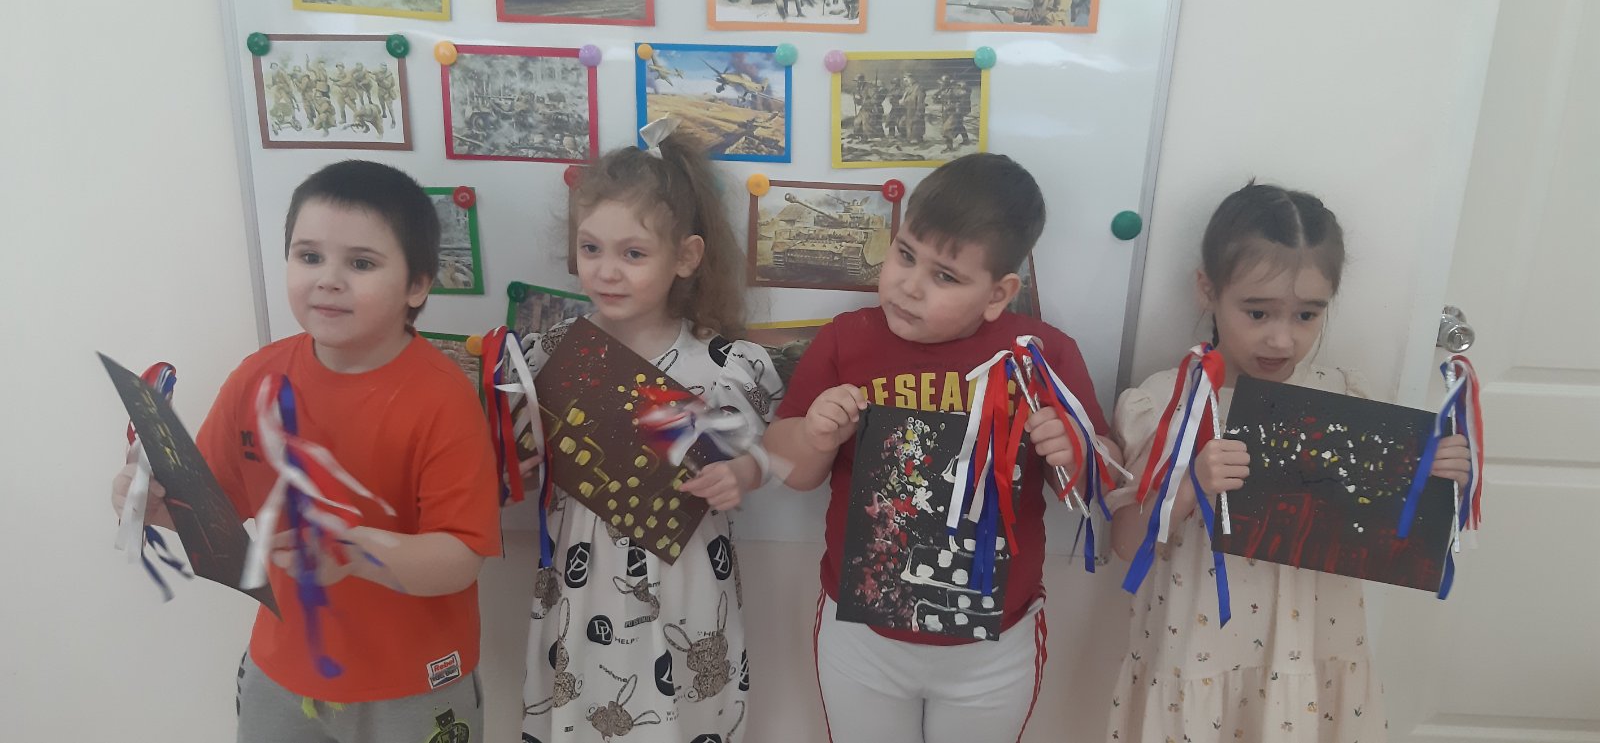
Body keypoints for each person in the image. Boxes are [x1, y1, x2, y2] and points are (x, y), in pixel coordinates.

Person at [110, 160, 502, 742]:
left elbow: (461, 557)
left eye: (361, 263)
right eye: (309, 256)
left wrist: (358, 551)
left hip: (415, 682)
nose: (328, 280)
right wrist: (154, 503)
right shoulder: (255, 378)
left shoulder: (442, 399)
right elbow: (211, 515)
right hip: (282, 671)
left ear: (418, 285)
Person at [763, 153, 1122, 743]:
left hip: (993, 645)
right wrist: (812, 436)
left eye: (945, 277)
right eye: (905, 254)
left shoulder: (1042, 355)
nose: (909, 285)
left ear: (998, 294)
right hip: (862, 636)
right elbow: (790, 469)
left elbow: (1098, 488)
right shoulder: (846, 339)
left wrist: (1077, 451)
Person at [1104, 181, 1474, 742]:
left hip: (1313, 653)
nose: (1282, 339)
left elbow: (1387, 529)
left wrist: (1433, 478)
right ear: (1208, 290)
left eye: (1306, 315)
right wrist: (1191, 485)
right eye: (1257, 312)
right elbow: (1126, 544)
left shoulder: (1344, 397)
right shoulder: (1165, 403)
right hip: (1200, 653)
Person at [518, 120, 783, 743]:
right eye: (591, 249)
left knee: (685, 719)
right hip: (581, 590)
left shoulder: (720, 368)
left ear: (685, 257)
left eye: (633, 254)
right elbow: (522, 468)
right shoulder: (551, 354)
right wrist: (519, 468)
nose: (606, 272)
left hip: (685, 585)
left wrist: (744, 473)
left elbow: (772, 461)